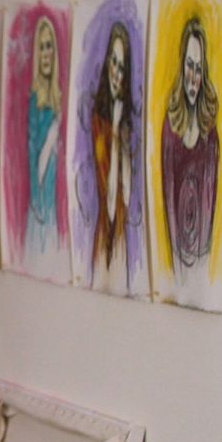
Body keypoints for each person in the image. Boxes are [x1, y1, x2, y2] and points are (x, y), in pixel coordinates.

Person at [161, 17, 219, 279]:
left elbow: (209, 207)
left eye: (198, 68)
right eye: (189, 66)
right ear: (181, 66)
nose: (193, 78)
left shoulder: (210, 137)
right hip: (176, 264)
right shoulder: (170, 128)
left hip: (202, 260)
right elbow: (169, 208)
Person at [90, 22, 134, 290]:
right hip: (104, 238)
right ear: (107, 64)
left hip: (120, 240)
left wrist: (120, 136)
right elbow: (108, 204)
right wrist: (115, 132)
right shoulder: (99, 124)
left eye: (122, 66)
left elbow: (126, 197)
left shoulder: (124, 126)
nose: (117, 73)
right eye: (113, 63)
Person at [25, 15, 62, 254]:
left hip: (55, 211)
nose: (46, 53)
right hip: (40, 214)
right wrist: (50, 139)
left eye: (49, 46)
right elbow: (34, 163)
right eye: (42, 47)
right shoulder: (34, 105)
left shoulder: (61, 102)